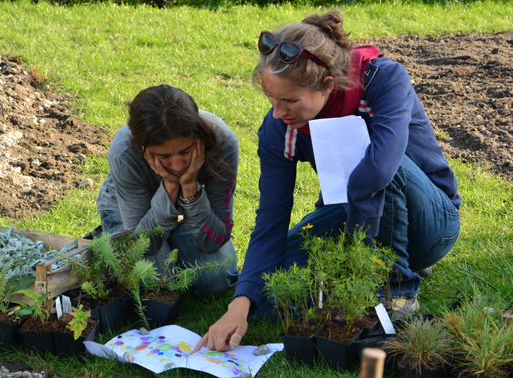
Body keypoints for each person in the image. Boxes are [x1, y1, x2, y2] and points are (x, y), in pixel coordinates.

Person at [194, 10, 460, 352]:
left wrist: (357, 248)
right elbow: (271, 217)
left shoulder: (384, 80)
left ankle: (398, 291)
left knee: (376, 164)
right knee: (273, 288)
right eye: (271, 100)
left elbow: (379, 171)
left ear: (328, 85)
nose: (277, 112)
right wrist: (241, 302)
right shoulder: (280, 128)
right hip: (353, 213)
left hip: (431, 222)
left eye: (288, 100)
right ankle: (366, 272)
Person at [94, 84, 240, 298]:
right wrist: (170, 186)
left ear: (198, 136)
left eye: (186, 151)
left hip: (188, 210)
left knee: (216, 281)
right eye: (163, 157)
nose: (178, 165)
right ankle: (110, 236)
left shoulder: (223, 142)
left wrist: (189, 188)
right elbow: (143, 245)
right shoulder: (123, 152)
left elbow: (215, 239)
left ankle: (172, 241)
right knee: (158, 282)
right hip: (129, 212)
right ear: (142, 147)